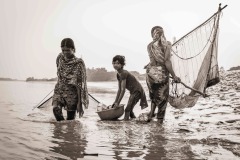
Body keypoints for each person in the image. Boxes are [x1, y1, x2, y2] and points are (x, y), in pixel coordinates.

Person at [145, 26, 180, 121]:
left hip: (150, 74)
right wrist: (174, 76)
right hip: (161, 74)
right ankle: (159, 125)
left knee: (154, 95)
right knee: (162, 98)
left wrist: (148, 65)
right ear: (163, 33)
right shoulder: (167, 44)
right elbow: (167, 61)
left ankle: (151, 115)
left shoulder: (149, 45)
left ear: (152, 34)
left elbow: (153, 62)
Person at [52, 38, 89, 121]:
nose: (65, 53)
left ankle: (69, 133)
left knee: (70, 120)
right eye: (63, 50)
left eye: (68, 50)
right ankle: (59, 132)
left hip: (72, 94)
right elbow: (59, 72)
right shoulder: (59, 58)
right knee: (56, 110)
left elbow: (79, 85)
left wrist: (79, 103)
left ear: (73, 49)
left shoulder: (78, 63)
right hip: (59, 90)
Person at [112, 55, 148, 120]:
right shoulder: (118, 74)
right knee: (130, 111)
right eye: (114, 63)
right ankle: (132, 123)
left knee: (127, 110)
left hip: (137, 91)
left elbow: (123, 90)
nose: (115, 65)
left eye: (118, 63)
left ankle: (125, 123)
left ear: (122, 65)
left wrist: (118, 103)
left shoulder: (123, 73)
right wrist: (115, 102)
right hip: (133, 92)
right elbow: (119, 90)